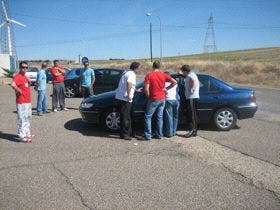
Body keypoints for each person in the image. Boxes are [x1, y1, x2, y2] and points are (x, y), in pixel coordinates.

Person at [141, 61, 177, 140]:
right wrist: (166, 89)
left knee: (148, 116)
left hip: (153, 98)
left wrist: (148, 97)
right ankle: (159, 134)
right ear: (159, 67)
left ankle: (148, 135)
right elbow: (174, 82)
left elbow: (146, 88)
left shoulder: (149, 75)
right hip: (162, 98)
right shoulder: (163, 75)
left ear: (152, 66)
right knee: (159, 117)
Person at [115, 62, 141, 140]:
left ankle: (127, 133)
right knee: (125, 117)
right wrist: (129, 94)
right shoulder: (131, 74)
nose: (139, 70)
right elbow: (129, 84)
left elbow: (130, 85)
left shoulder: (127, 73)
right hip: (125, 98)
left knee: (126, 116)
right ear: (136, 68)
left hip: (121, 97)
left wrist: (135, 90)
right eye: (139, 68)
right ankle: (125, 135)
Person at [11, 61, 33, 142]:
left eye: (26, 67)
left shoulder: (25, 76)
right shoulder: (18, 76)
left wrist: (29, 80)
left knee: (28, 117)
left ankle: (27, 133)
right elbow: (13, 84)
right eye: (23, 67)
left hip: (27, 101)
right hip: (21, 101)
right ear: (20, 68)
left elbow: (28, 85)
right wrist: (18, 90)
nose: (25, 69)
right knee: (22, 118)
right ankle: (21, 135)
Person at [180, 64, 200, 138]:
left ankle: (192, 131)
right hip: (192, 97)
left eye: (183, 71)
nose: (182, 73)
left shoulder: (190, 76)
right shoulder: (192, 74)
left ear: (185, 71)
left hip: (192, 97)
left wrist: (191, 88)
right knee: (192, 114)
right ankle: (194, 131)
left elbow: (193, 80)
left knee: (192, 115)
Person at [163, 72, 180, 137]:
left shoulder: (164, 83)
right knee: (175, 116)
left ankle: (169, 133)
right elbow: (177, 92)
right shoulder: (175, 83)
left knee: (169, 117)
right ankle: (174, 132)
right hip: (176, 100)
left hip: (168, 100)